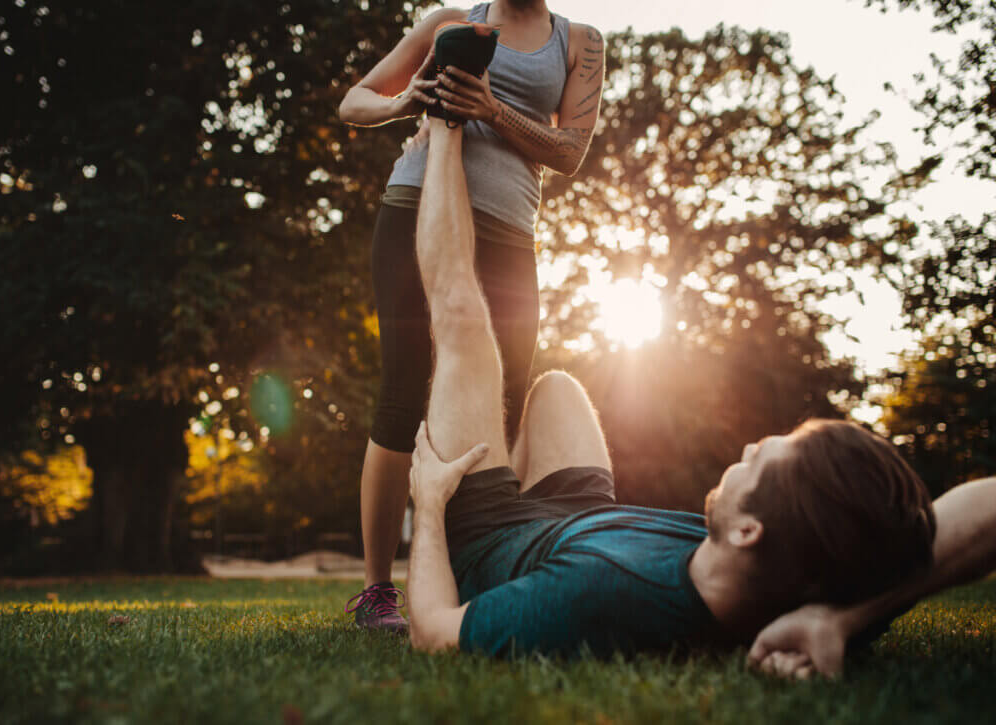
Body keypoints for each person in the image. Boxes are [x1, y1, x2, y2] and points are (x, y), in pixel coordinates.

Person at [402, 113, 996, 662]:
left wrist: (429, 506)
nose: (749, 448)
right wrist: (844, 618)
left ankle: (445, 122)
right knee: (557, 389)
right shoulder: (812, 575)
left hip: (496, 544)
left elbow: (433, 634)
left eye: (764, 457)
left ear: (747, 530)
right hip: (581, 522)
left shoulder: (599, 596)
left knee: (462, 316)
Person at [339, 0, 607, 632]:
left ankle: (481, 568)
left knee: (502, 403)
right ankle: (378, 593)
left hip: (511, 232)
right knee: (403, 394)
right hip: (415, 205)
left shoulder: (581, 43)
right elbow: (354, 102)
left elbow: (569, 152)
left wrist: (491, 109)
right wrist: (408, 102)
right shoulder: (448, 22)